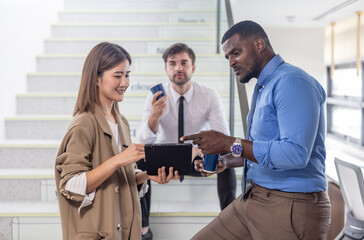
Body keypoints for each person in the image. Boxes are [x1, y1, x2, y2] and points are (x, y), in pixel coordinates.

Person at [182, 20, 332, 240]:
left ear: (259, 44)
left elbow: (295, 154)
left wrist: (228, 143)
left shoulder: (292, 82)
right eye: (228, 57)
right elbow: (266, 150)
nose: (231, 62)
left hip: (290, 203)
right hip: (254, 196)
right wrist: (227, 160)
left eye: (236, 53)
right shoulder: (264, 87)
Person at [54, 42, 179, 240]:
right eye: (117, 75)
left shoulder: (121, 122)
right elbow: (71, 184)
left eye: (127, 75)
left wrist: (146, 176)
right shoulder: (83, 124)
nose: (124, 83)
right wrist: (119, 159)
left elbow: (117, 178)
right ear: (96, 78)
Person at [137, 43, 237, 239]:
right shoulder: (155, 95)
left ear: (193, 67)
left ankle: (230, 222)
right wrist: (155, 115)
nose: (178, 68)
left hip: (196, 158)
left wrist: (200, 151)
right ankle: (144, 229)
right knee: (138, 162)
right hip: (165, 159)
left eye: (184, 62)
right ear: (166, 69)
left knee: (227, 161)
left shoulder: (208, 95)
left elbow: (223, 136)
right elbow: (143, 141)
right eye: (172, 63)